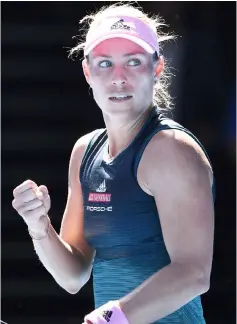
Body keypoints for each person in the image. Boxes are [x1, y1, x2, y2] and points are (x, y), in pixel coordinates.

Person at [12, 3, 215, 324]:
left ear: (157, 68)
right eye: (105, 64)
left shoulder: (173, 151)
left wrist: (112, 317)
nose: (119, 78)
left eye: (133, 62)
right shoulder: (85, 151)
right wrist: (39, 228)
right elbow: (73, 275)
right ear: (88, 73)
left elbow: (194, 273)